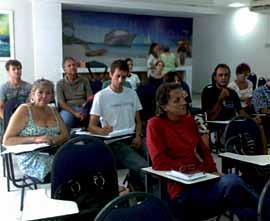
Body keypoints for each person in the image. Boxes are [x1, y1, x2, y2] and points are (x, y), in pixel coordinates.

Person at [147, 83, 259, 221]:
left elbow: (204, 151)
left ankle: (261, 212)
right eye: (177, 100)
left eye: (183, 97)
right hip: (182, 188)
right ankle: (263, 210)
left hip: (203, 178)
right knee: (233, 183)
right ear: (164, 107)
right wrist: (185, 168)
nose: (184, 102)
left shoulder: (189, 121)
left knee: (238, 195)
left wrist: (212, 170)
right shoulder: (155, 124)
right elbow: (158, 162)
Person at [88, 59, 148, 190]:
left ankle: (136, 186)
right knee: (143, 166)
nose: (121, 80)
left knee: (155, 160)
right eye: (118, 76)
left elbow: (139, 121)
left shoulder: (132, 93)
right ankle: (150, 196)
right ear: (110, 75)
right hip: (115, 141)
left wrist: (138, 136)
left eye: (124, 77)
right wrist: (101, 130)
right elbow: (91, 127)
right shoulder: (101, 96)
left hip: (133, 136)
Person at [3, 79, 68, 182]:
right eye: (40, 92)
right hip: (32, 157)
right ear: (33, 94)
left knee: (79, 159)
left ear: (52, 96)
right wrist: (36, 139)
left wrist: (54, 140)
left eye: (48, 93)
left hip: (54, 151)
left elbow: (65, 134)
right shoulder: (24, 110)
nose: (44, 96)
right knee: (65, 168)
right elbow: (7, 140)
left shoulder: (53, 109)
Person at [56, 57, 92, 132]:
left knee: (89, 118)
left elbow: (90, 97)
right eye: (69, 66)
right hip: (67, 109)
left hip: (82, 107)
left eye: (74, 65)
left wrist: (85, 105)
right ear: (64, 69)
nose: (72, 67)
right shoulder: (60, 84)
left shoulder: (84, 80)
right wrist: (74, 113)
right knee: (65, 121)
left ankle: (85, 140)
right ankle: (67, 141)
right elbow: (61, 103)